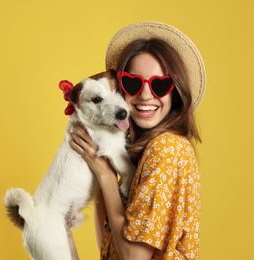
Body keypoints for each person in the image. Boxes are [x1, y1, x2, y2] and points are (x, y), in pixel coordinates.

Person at [70, 21, 206, 260]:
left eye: (159, 84)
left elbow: (134, 257)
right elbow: (110, 247)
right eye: (133, 82)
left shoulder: (166, 149)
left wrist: (105, 175)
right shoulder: (141, 154)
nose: (145, 94)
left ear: (175, 91)